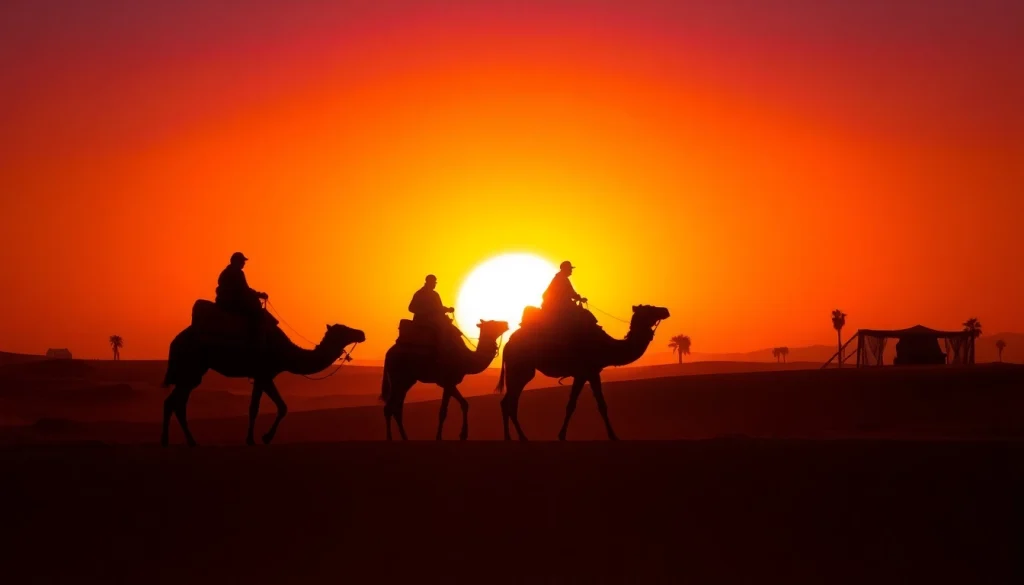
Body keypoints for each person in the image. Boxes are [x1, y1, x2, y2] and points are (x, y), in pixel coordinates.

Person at [215, 252, 269, 329]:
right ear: (237, 262)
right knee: (257, 313)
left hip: (224, 301)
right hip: (232, 302)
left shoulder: (226, 272)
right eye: (242, 261)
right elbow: (244, 289)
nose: (244, 263)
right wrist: (259, 295)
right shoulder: (237, 273)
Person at [408, 274, 458, 347]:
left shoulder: (435, 294)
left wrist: (447, 309)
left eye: (435, 282)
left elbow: (439, 308)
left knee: (451, 329)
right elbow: (411, 308)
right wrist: (426, 311)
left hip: (434, 320)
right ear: (429, 282)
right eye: (434, 282)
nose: (435, 284)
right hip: (423, 322)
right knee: (442, 331)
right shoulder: (420, 293)